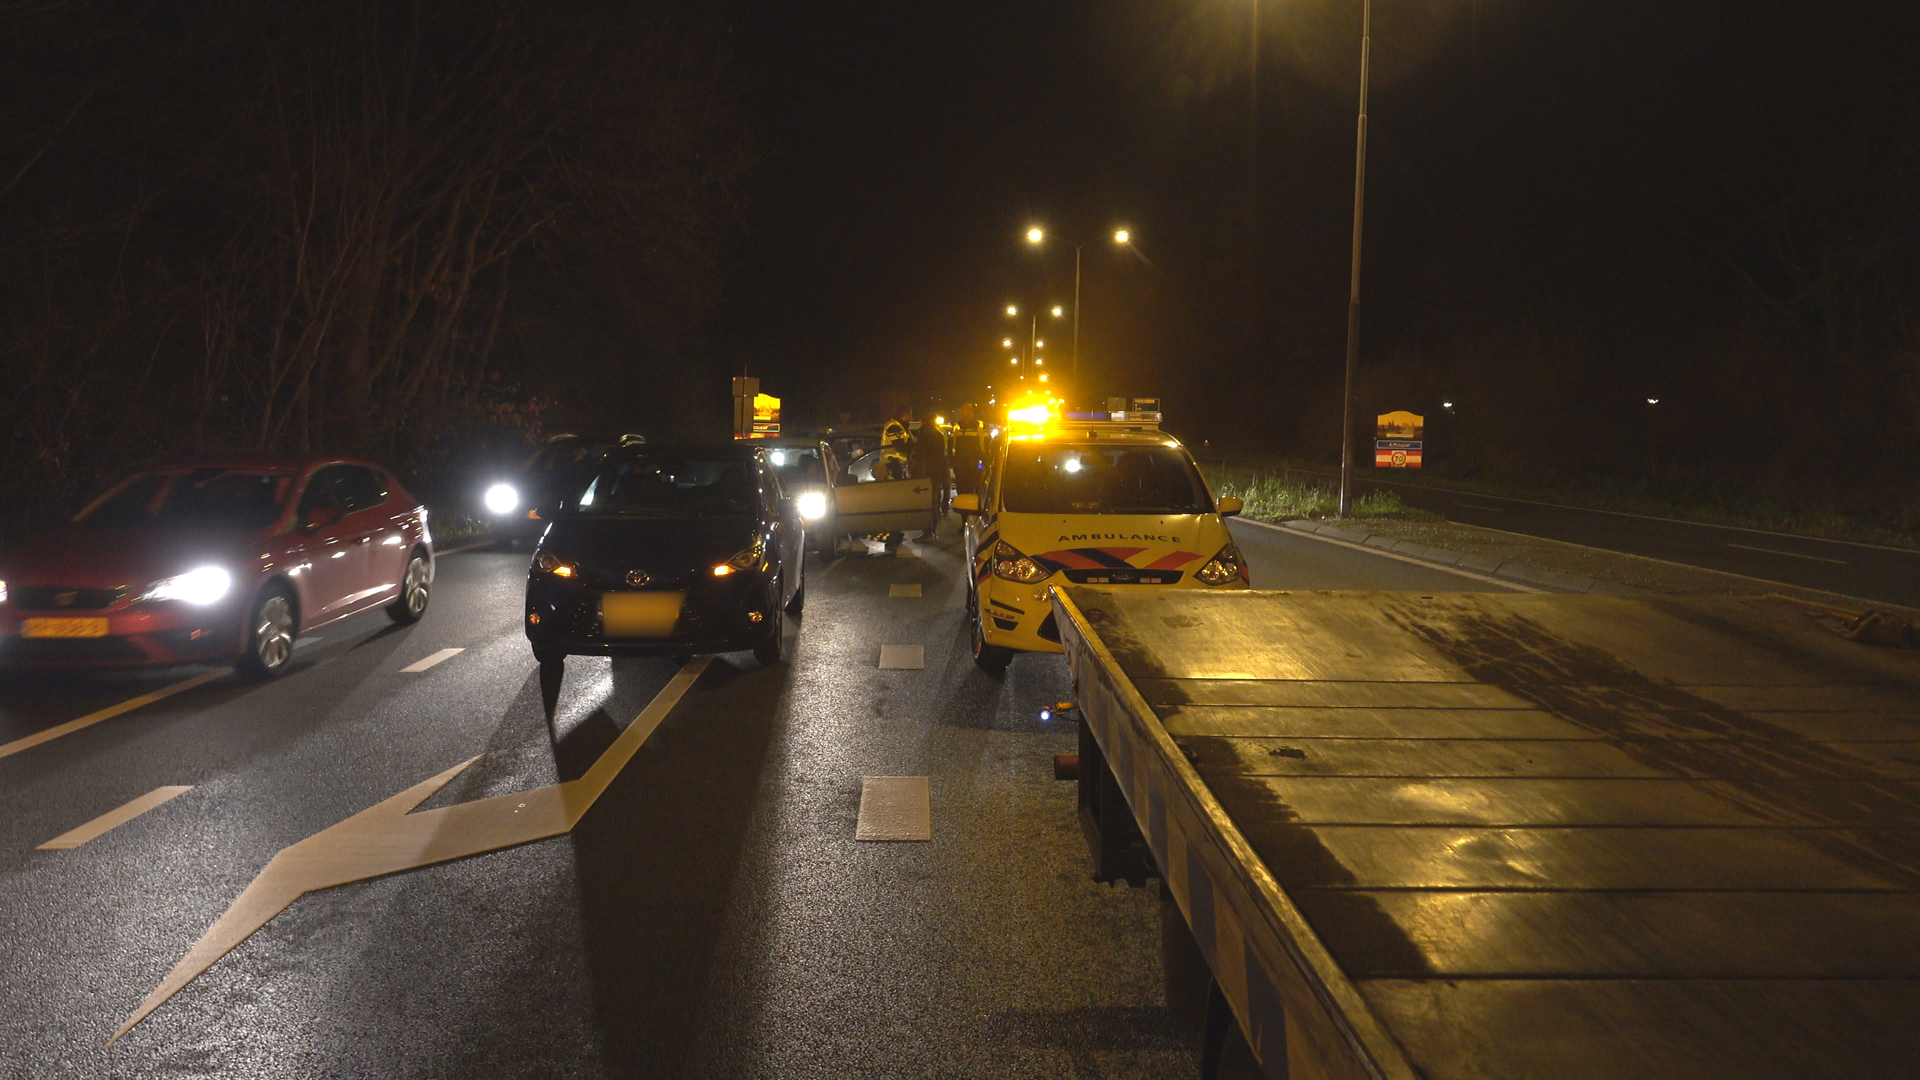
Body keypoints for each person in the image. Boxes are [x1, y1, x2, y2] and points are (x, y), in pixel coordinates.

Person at [911, 414, 950, 538]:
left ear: (922, 421)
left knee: (927, 501)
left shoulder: (923, 433)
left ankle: (928, 531)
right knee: (934, 499)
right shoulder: (938, 433)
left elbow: (920, 453)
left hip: (926, 472)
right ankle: (933, 526)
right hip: (936, 470)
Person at [950, 403, 986, 496]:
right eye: (962, 411)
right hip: (960, 463)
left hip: (975, 462)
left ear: (972, 412)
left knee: (975, 486)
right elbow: (951, 444)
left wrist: (984, 459)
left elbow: (987, 442)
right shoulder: (957, 426)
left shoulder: (980, 425)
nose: (964, 413)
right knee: (961, 487)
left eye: (966, 410)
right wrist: (952, 460)